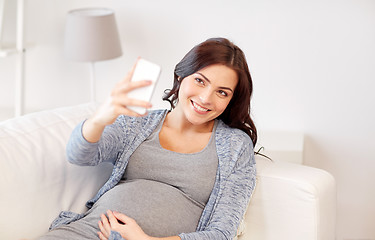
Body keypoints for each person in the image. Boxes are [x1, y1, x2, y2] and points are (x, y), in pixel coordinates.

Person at [39, 37, 257, 240]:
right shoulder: (137, 123)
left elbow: (222, 233)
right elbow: (79, 155)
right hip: (86, 232)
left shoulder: (235, 146)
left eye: (222, 92)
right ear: (181, 76)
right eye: (200, 80)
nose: (205, 98)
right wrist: (99, 118)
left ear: (231, 100)